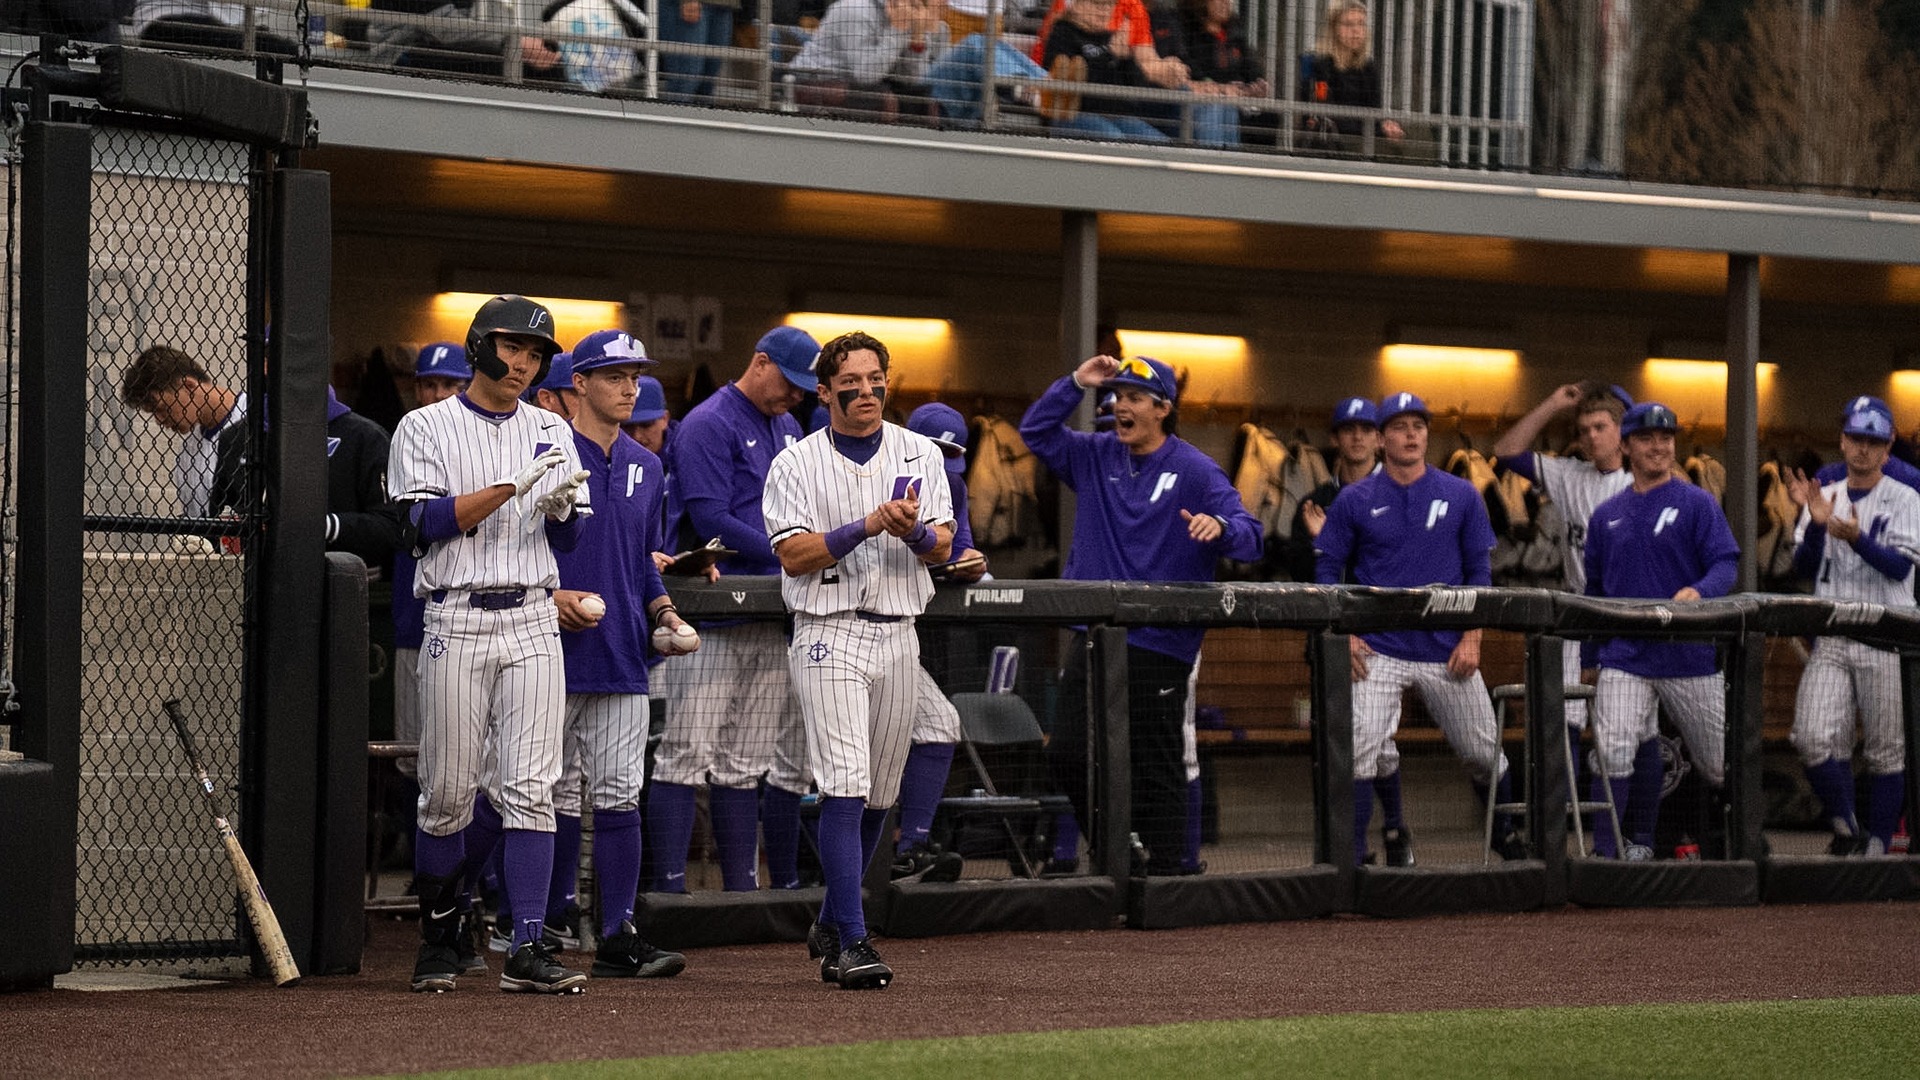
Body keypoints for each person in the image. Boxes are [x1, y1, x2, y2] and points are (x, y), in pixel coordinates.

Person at [387, 294, 593, 994]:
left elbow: (569, 537)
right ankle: (441, 933)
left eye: (536, 354)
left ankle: (528, 945)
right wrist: (512, 486)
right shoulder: (424, 424)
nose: (524, 364)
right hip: (457, 615)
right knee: (447, 792)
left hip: (534, 612)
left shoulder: (552, 427)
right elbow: (422, 524)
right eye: (513, 348)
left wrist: (560, 505)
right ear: (479, 345)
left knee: (533, 787)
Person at [764, 330, 954, 990]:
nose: (868, 390)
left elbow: (945, 544)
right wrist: (867, 526)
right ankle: (851, 938)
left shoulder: (919, 452)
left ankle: (828, 918)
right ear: (825, 390)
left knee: (881, 793)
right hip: (828, 630)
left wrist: (919, 533)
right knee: (843, 783)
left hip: (899, 628)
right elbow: (792, 554)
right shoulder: (796, 463)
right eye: (853, 381)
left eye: (877, 378)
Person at [1020, 354, 1260, 875]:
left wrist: (1220, 527)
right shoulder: (1095, 454)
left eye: (1133, 397)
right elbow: (1035, 431)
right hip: (1094, 633)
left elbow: (1251, 532)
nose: (1120, 405)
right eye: (1118, 395)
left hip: (1161, 640)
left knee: (1156, 762)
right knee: (1068, 754)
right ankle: (1118, 846)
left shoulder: (1195, 467)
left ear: (1162, 409)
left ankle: (1171, 869)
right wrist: (1075, 383)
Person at [1313, 392, 1521, 867]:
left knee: (1484, 754)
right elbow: (1328, 573)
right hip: (1378, 648)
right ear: (1382, 438)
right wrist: (1343, 633)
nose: (1411, 435)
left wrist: (1473, 636)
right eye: (1400, 426)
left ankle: (1506, 835)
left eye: (1419, 426)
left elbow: (1479, 574)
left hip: (1445, 646)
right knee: (1362, 750)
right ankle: (1352, 857)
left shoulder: (1461, 493)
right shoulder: (1355, 498)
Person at [650, 327, 819, 893]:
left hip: (772, 608)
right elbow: (710, 516)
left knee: (746, 760)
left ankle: (742, 894)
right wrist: (790, 547)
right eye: (790, 384)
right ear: (760, 362)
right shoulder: (709, 420)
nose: (796, 397)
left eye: (804, 390)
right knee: (686, 753)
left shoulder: (789, 425)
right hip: (712, 611)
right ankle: (670, 893)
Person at [546, 328, 693, 977]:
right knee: (535, 798)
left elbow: (641, 560)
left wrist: (662, 609)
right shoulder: (546, 451)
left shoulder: (649, 463)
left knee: (616, 798)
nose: (629, 387)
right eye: (614, 375)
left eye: (634, 375)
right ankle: (535, 924)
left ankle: (617, 934)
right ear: (579, 383)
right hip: (545, 651)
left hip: (623, 654)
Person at [1491, 382, 1666, 854]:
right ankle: (1559, 837)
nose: (1590, 437)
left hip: (1631, 617)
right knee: (1562, 722)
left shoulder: (1645, 482)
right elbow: (1505, 451)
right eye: (1584, 429)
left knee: (1638, 734)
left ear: (1623, 433)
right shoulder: (1569, 474)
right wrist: (1552, 402)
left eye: (1600, 427)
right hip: (1577, 610)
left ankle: (1641, 840)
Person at [1583, 402, 1740, 860]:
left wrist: (1699, 589)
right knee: (1612, 751)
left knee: (1717, 764)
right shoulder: (1606, 514)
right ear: (1627, 445)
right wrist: (1590, 657)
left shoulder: (1697, 502)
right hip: (1625, 655)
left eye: (1666, 438)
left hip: (1687, 655)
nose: (1659, 446)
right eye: (1648, 438)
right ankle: (1612, 853)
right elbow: (1595, 591)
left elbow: (1726, 563)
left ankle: (1739, 847)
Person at [1786, 396, 1920, 856]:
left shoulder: (1906, 496)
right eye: (1856, 439)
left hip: (1887, 635)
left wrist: (1858, 539)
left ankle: (1878, 847)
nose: (1863, 449)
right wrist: (1820, 526)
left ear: (1887, 449)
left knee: (1887, 750)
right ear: (1842, 442)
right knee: (1811, 737)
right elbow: (1801, 565)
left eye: (1873, 441)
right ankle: (1848, 829)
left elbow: (1901, 569)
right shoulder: (1826, 492)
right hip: (1834, 635)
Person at [890, 402, 989, 881]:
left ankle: (911, 848)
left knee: (938, 723)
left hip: (900, 630)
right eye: (937, 452)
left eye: (952, 456)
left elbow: (962, 547)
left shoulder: (952, 483)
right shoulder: (884, 472)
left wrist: (969, 562)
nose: (945, 465)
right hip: (840, 626)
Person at [119, 345, 248, 518]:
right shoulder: (188, 452)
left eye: (161, 408)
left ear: (189, 385)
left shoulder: (258, 418)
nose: (160, 420)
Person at [787, 0, 950, 120]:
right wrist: (898, 30)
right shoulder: (854, 9)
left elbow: (912, 80)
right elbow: (865, 75)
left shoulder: (906, 12)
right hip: (814, 81)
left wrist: (917, 39)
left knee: (922, 100)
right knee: (881, 98)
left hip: (864, 82)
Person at [1040, 0, 1174, 143]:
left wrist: (1127, 58)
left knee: (1162, 145)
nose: (1104, 10)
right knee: (1115, 142)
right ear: (1076, 6)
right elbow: (1076, 86)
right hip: (1073, 114)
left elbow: (1136, 86)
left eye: (1110, 5)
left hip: (1114, 114)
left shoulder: (1110, 38)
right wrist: (1110, 55)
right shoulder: (1062, 34)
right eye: (1097, 4)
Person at [324, 386, 407, 572]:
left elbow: (392, 526)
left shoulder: (367, 437)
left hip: (347, 580)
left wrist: (326, 525)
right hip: (259, 576)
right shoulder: (251, 432)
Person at [1298, 1, 1403, 148]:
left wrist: (1386, 126)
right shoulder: (1319, 65)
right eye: (1348, 24)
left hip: (1362, 142)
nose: (1356, 30)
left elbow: (1375, 111)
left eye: (1361, 24)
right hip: (1329, 142)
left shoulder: (1369, 67)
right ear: (1334, 29)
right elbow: (1322, 106)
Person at [1175, 0, 1266, 146]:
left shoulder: (1235, 33)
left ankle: (1232, 164)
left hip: (1235, 99)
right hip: (1198, 98)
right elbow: (1191, 68)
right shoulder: (1190, 32)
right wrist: (1221, 87)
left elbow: (1250, 66)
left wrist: (1257, 83)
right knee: (1216, 104)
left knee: (1238, 108)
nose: (1225, 3)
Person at [658, 0, 739, 101]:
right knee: (686, 78)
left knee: (708, 80)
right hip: (684, 4)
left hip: (723, 6)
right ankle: (675, 114)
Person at [622, 375, 671, 454]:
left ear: (665, 419)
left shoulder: (683, 453)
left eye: (646, 425)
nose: (636, 436)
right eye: (627, 426)